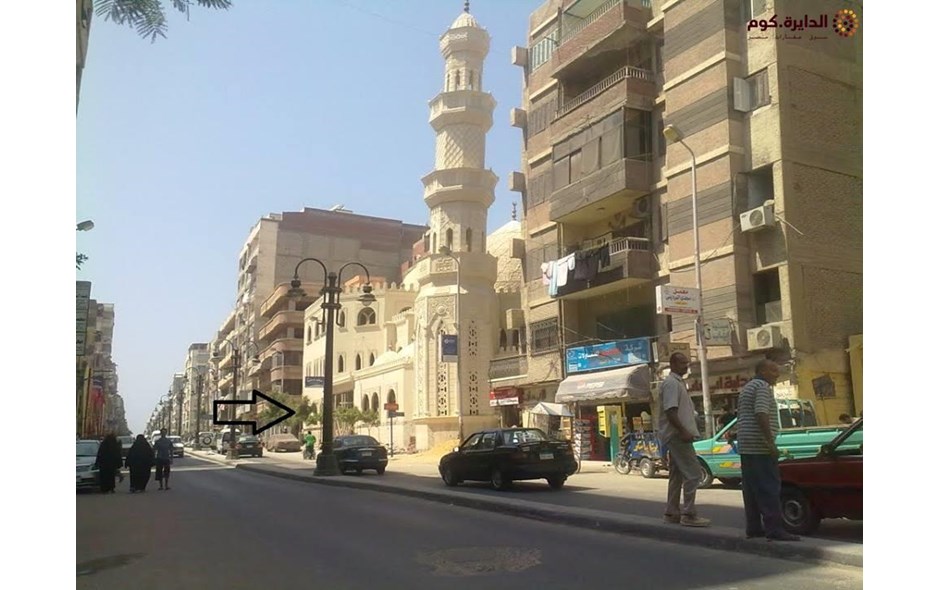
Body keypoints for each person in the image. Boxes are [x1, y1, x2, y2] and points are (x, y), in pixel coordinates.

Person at [737, 360, 800, 542]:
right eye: (773, 370)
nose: (777, 374)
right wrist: (770, 443)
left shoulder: (748, 387)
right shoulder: (762, 387)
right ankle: (774, 529)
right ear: (763, 371)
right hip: (759, 445)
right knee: (769, 488)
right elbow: (761, 413)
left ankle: (754, 527)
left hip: (747, 445)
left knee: (751, 489)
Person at [658, 352, 710, 527]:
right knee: (694, 473)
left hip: (676, 435)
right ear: (673, 364)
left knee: (677, 474)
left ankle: (671, 512)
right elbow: (670, 411)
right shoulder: (671, 383)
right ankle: (689, 514)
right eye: (682, 363)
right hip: (677, 436)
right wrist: (683, 431)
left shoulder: (678, 383)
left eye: (687, 363)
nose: (686, 366)